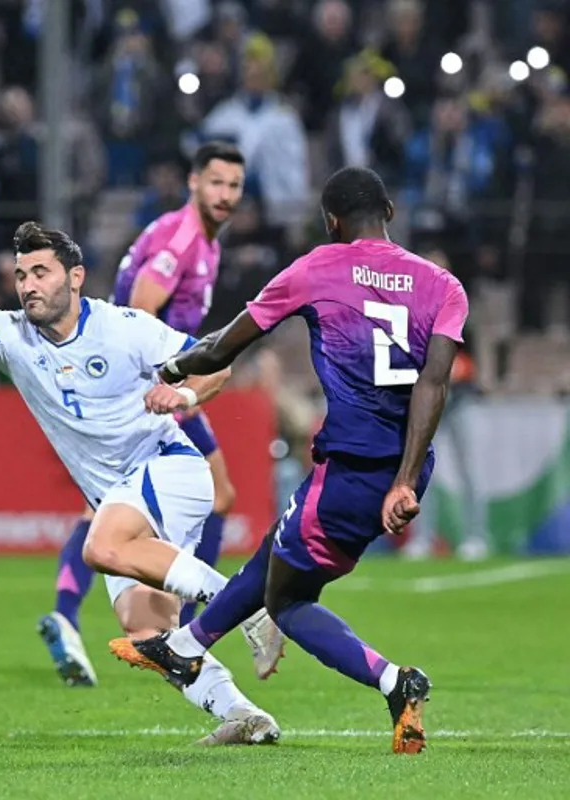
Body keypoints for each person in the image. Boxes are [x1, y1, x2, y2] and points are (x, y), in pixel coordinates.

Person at [108, 166, 470, 755]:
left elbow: (227, 343)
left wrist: (173, 369)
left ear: (330, 221)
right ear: (391, 212)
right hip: (398, 469)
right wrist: (405, 481)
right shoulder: (443, 284)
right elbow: (434, 384)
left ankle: (396, 682)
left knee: (289, 600)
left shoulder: (316, 268)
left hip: (353, 467)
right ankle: (187, 646)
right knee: (280, 547)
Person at [0, 214, 280, 745]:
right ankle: (245, 716)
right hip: (121, 496)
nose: (29, 285)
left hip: (167, 467)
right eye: (21, 275)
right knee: (149, 632)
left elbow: (215, 360)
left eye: (41, 272)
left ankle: (249, 606)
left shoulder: (124, 327)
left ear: (75, 277)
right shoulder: (11, 335)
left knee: (100, 546)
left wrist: (185, 394)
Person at [39, 141, 283, 689]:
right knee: (212, 494)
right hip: (151, 389)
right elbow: (144, 309)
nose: (225, 195)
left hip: (144, 385)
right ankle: (197, 628)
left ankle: (69, 612)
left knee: (105, 508)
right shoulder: (182, 238)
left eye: (234, 186)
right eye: (215, 182)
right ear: (193, 182)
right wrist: (167, 381)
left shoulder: (198, 238)